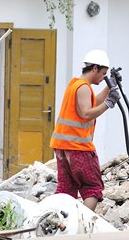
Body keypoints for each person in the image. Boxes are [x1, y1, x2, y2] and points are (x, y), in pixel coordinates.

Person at [49, 50, 121, 211]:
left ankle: (59, 223)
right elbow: (87, 113)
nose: (103, 78)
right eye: (103, 73)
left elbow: (93, 103)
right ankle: (81, 225)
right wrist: (109, 104)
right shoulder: (84, 87)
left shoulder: (76, 84)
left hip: (63, 146)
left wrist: (111, 86)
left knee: (66, 189)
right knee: (92, 187)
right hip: (78, 148)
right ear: (95, 68)